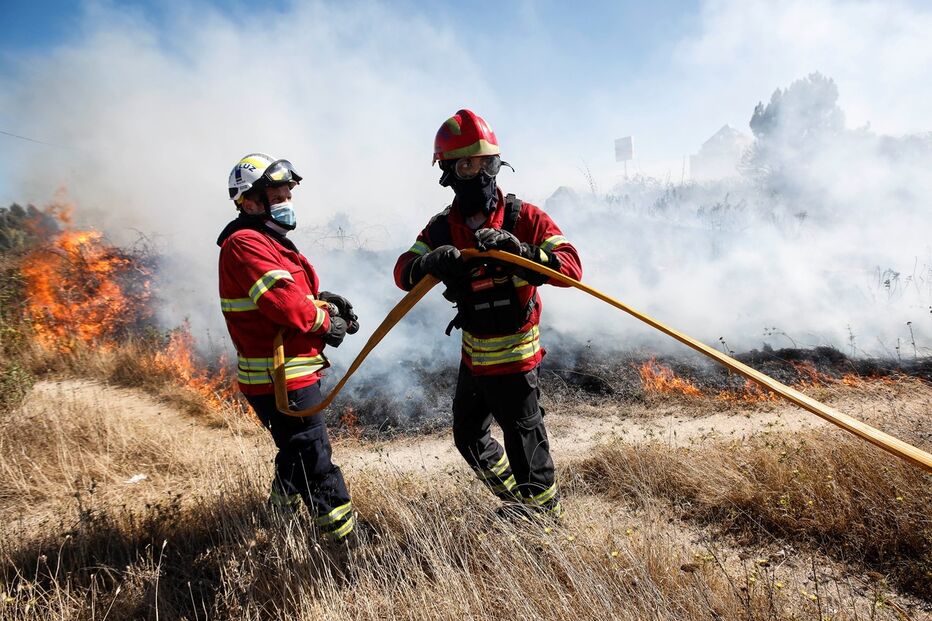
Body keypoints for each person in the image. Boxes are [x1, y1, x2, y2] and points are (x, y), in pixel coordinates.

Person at [393, 110, 582, 518]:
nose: (478, 173)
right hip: (474, 358)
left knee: (523, 441)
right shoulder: (442, 229)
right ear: (447, 172)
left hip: (515, 359)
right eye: (465, 164)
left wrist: (523, 254)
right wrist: (427, 264)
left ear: (497, 165)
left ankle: (543, 521)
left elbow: (571, 267)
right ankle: (516, 499)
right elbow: (403, 272)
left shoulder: (523, 218)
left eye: (486, 163)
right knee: (467, 437)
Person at [218, 153, 358, 542]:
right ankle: (343, 546)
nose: (286, 203)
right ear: (250, 201)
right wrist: (326, 322)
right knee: (314, 459)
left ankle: (277, 517)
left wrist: (324, 301)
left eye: (287, 195)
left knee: (295, 451)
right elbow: (283, 303)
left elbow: (296, 295)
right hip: (279, 377)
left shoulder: (269, 241)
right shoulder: (244, 243)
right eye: (277, 196)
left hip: (290, 371)